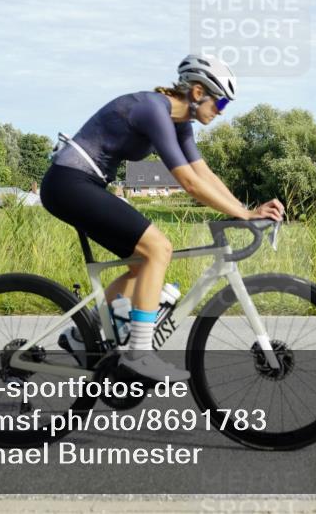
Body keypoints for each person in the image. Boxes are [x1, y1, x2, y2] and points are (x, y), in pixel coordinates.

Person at [40, 54, 284, 383]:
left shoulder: (180, 123)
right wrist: (242, 213)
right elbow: (189, 182)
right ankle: (138, 353)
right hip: (68, 183)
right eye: (221, 103)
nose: (222, 111)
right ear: (198, 93)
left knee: (142, 263)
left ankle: (80, 336)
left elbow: (202, 171)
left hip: (83, 184)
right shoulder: (153, 109)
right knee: (158, 248)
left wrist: (245, 209)